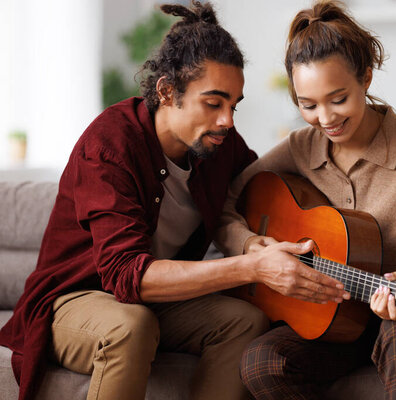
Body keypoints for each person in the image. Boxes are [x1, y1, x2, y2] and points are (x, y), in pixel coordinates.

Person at [0, 2, 350, 400]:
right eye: (213, 103)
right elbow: (126, 276)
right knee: (129, 326)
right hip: (78, 296)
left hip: (158, 302)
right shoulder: (110, 145)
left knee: (245, 321)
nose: (227, 120)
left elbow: (260, 192)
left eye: (233, 105)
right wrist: (252, 266)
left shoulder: (219, 144)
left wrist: (263, 241)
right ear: (167, 91)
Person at [215, 1, 396, 398]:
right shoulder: (299, 147)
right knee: (262, 363)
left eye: (338, 99)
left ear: (365, 78)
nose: (326, 118)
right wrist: (248, 245)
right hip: (333, 328)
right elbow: (226, 203)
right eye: (308, 105)